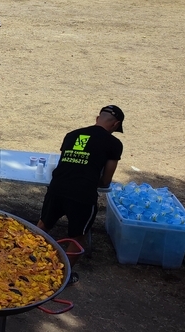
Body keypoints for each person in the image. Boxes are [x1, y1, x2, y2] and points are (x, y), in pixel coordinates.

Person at [38, 106, 124, 275]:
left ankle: (23, 259)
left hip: (57, 187)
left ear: (97, 118)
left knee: (43, 225)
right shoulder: (114, 143)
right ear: (115, 124)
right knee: (77, 237)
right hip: (82, 195)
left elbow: (65, 163)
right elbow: (106, 180)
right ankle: (63, 276)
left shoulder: (72, 135)